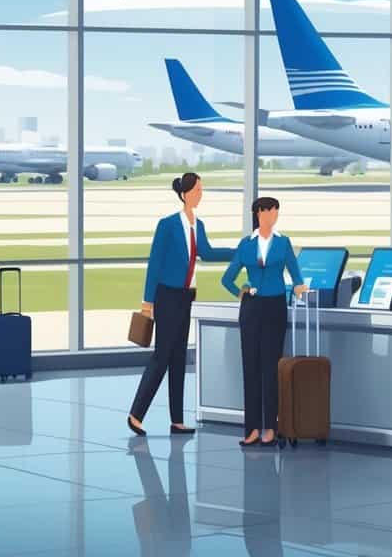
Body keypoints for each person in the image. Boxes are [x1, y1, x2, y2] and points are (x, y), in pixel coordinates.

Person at [129, 173, 234, 436]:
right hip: (166, 296)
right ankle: (136, 414)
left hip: (186, 297)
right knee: (162, 356)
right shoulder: (167, 225)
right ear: (185, 193)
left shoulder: (198, 224)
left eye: (202, 189)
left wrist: (240, 251)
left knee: (178, 358)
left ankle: (177, 420)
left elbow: (207, 253)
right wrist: (147, 301)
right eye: (198, 189)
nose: (201, 193)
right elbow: (155, 263)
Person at [220, 196, 306, 448]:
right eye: (271, 211)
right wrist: (241, 291)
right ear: (259, 213)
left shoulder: (283, 242)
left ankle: (271, 427)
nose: (274, 215)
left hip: (275, 306)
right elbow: (227, 278)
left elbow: (295, 272)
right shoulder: (246, 244)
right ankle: (252, 429)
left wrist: (301, 289)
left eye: (277, 211)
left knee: (271, 368)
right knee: (251, 368)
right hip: (251, 309)